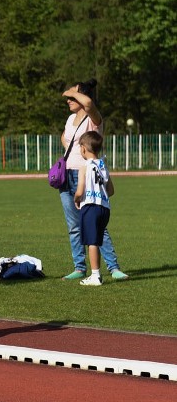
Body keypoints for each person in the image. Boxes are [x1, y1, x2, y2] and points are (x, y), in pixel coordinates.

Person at [59, 80, 128, 281]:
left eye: (73, 97)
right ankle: (79, 267)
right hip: (67, 175)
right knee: (74, 225)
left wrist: (71, 91)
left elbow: (88, 105)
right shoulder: (70, 118)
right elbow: (65, 139)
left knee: (96, 224)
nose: (69, 100)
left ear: (83, 97)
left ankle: (113, 267)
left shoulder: (93, 119)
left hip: (87, 176)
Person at [73, 132, 115, 287]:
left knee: (91, 242)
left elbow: (79, 191)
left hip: (90, 206)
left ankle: (95, 276)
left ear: (84, 149)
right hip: (104, 208)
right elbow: (110, 190)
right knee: (97, 240)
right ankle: (96, 274)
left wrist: (76, 199)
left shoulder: (84, 167)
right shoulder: (103, 165)